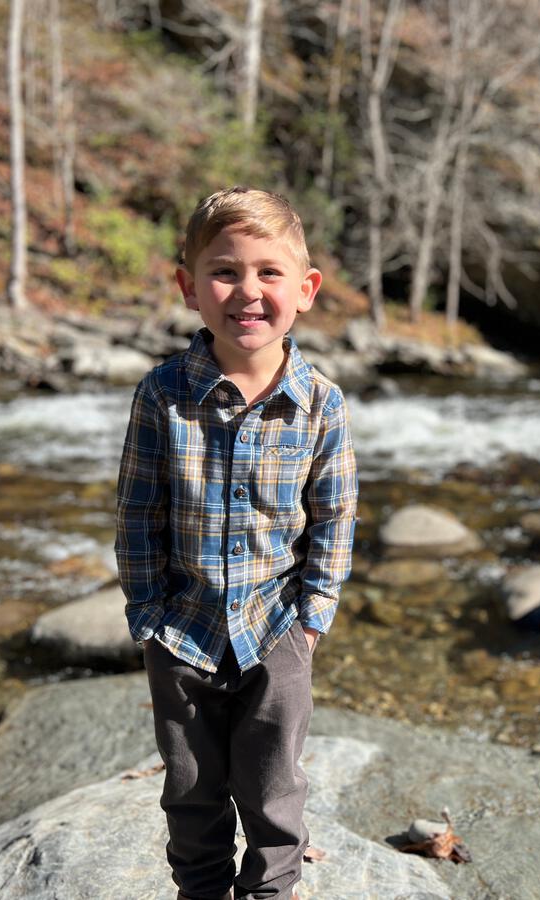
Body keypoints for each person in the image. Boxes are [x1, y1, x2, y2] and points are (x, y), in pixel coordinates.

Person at [115, 186, 358, 900]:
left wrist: (314, 618)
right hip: (182, 633)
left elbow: (334, 519)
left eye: (269, 273)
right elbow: (136, 512)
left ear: (305, 290)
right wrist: (147, 616)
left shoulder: (322, 405)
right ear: (189, 287)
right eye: (225, 272)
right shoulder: (162, 395)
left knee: (274, 793)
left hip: (278, 631)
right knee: (191, 794)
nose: (247, 291)